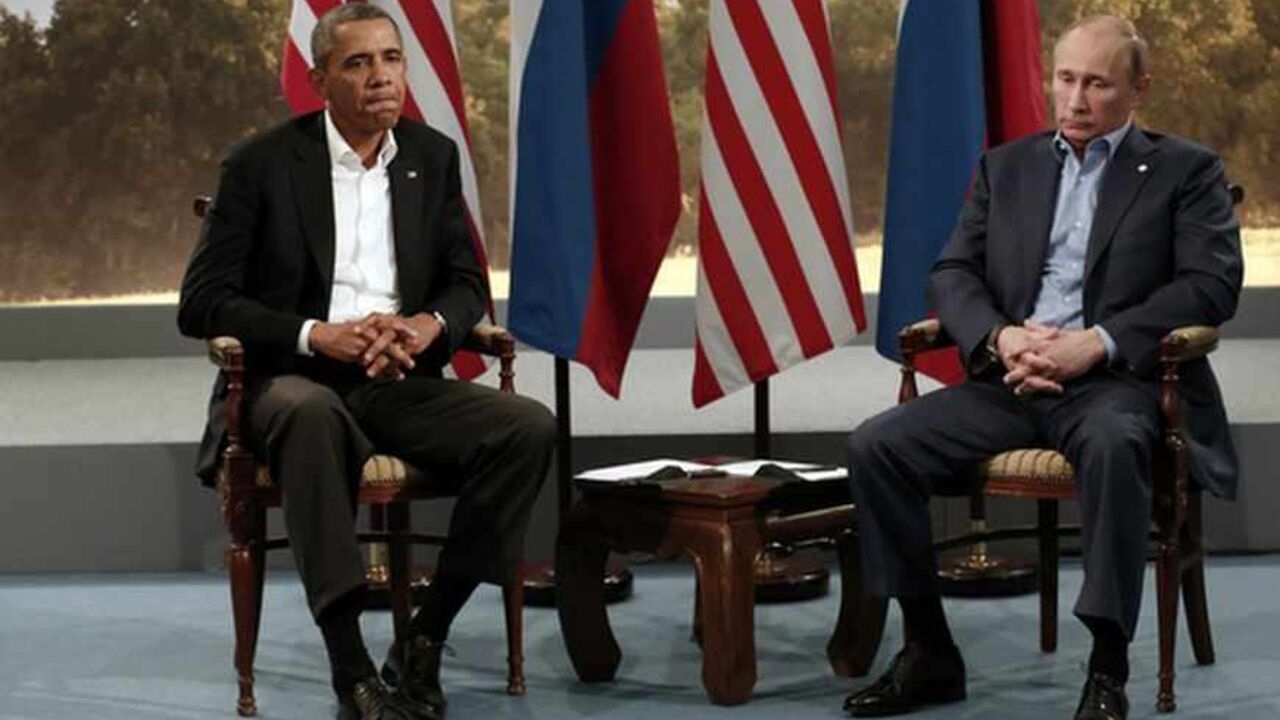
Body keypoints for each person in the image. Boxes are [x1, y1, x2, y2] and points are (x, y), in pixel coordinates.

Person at [843, 15, 1242, 720]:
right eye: (1065, 79)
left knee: (1117, 447)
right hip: (1015, 379)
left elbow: (1208, 287)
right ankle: (930, 653)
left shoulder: (1186, 169)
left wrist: (1097, 342)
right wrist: (1001, 339)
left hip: (1118, 384)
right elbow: (954, 270)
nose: (1076, 99)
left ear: (1137, 88)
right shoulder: (1009, 166)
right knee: (878, 445)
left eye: (1097, 83)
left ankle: (1107, 667)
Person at [177, 5, 554, 719]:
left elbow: (466, 285)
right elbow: (201, 303)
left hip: (394, 381)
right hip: (289, 382)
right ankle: (350, 668)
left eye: (391, 59)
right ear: (320, 79)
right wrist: (317, 335)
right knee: (310, 412)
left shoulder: (431, 157)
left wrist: (422, 326)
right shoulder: (260, 165)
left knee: (526, 428)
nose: (381, 77)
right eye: (358, 63)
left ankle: (424, 638)